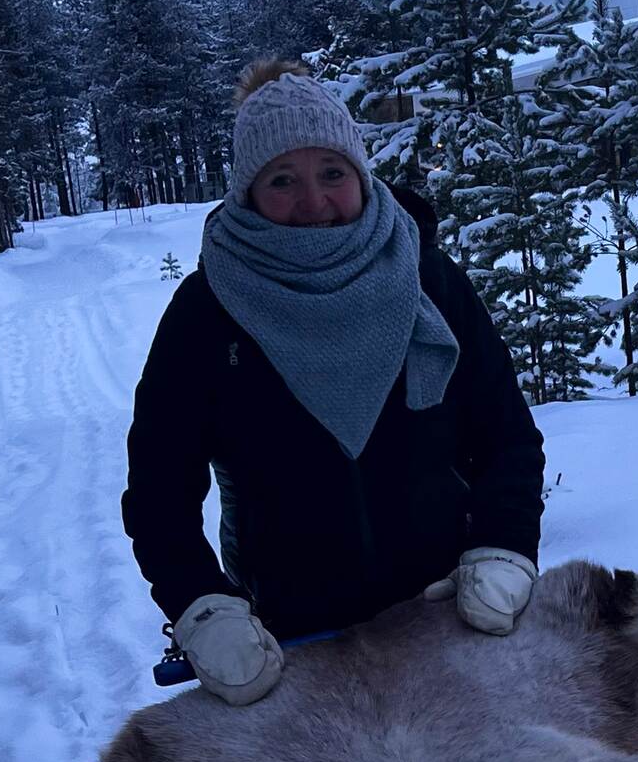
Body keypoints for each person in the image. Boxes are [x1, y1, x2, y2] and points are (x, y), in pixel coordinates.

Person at [123, 59, 546, 705]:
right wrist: (203, 607)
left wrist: (503, 546)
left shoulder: (429, 282)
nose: (313, 202)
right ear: (248, 192)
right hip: (292, 647)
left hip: (445, 621)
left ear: (360, 173)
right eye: (283, 179)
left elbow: (507, 438)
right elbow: (159, 493)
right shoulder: (208, 313)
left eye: (332, 173)